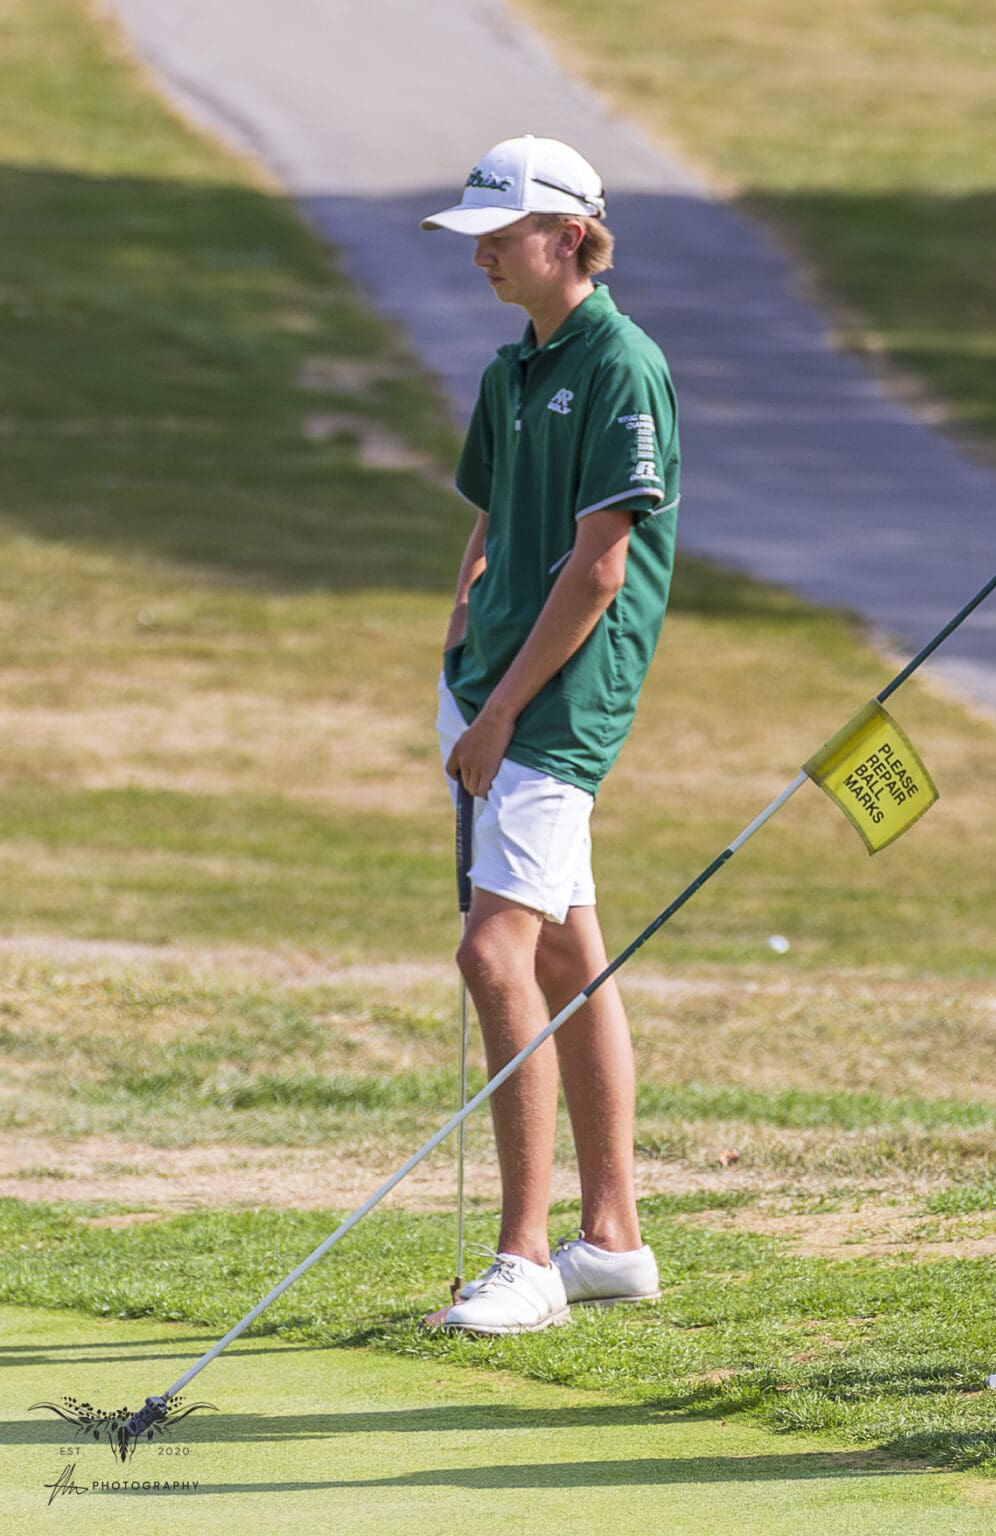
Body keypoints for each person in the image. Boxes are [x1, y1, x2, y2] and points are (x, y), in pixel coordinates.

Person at [420, 135, 680, 1333]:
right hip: (495, 683)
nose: (481, 252)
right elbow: (491, 518)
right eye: (474, 234)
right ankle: (612, 1241)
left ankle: (524, 1259)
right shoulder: (511, 368)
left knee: (494, 956)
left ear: (571, 236)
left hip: (559, 698)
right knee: (568, 955)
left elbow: (600, 567)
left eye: (501, 232)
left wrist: (503, 712)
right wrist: (461, 626)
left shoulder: (622, 363)